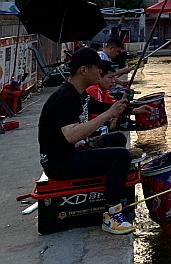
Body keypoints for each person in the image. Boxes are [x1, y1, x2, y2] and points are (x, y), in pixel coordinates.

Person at [38, 47, 133, 235]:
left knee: (118, 138)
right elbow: (72, 135)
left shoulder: (80, 94)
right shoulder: (65, 97)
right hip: (59, 163)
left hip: (72, 151)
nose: (100, 71)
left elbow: (103, 107)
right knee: (121, 156)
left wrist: (129, 108)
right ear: (83, 70)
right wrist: (108, 114)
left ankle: (109, 189)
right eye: (97, 67)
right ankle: (112, 214)